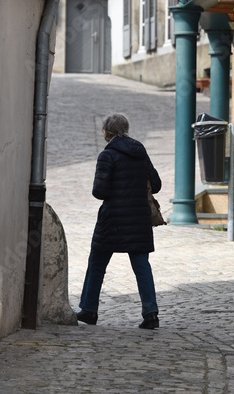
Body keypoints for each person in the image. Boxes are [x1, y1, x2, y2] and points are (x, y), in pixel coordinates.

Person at [75, 113, 163, 329]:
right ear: (126, 129)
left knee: (97, 263)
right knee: (142, 266)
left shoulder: (108, 155)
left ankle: (89, 310)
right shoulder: (140, 152)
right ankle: (151, 314)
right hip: (139, 218)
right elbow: (157, 184)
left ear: (107, 132)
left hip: (112, 219)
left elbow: (100, 191)